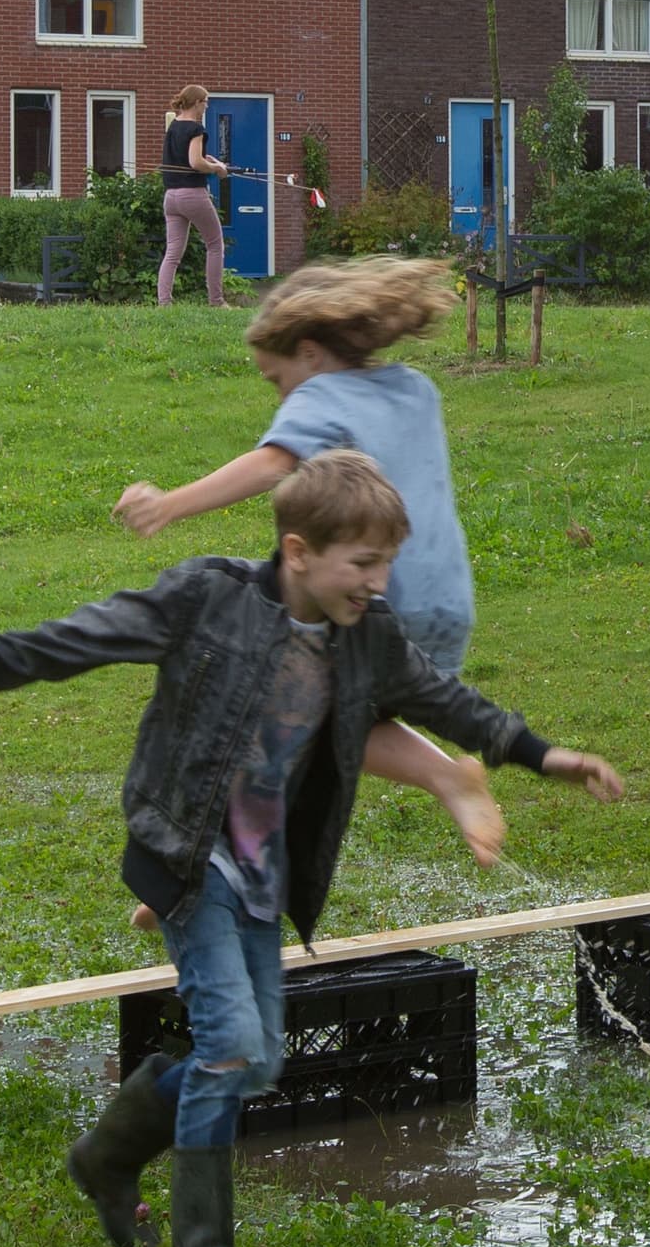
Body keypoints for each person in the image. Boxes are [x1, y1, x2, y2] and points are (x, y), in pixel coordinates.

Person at [0, 445, 626, 1247]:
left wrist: (551, 758)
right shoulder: (205, 597)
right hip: (185, 856)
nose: (378, 580)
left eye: (386, 561)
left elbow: (454, 707)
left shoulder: (368, 637)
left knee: (260, 1058)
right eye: (363, 563)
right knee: (231, 1047)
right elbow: (61, 644)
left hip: (261, 875)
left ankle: (106, 1155)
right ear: (298, 552)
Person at [119, 257, 500, 862]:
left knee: (262, 714)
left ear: (312, 351)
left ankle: (201, 867)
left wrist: (170, 505)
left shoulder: (321, 393)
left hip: (371, 598)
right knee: (337, 725)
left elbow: (274, 462)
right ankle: (211, 866)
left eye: (277, 380)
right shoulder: (414, 388)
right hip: (444, 605)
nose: (282, 394)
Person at [155, 85, 235, 309]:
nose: (207, 106)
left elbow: (185, 157)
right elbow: (194, 163)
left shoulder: (173, 126)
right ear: (198, 102)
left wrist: (207, 158)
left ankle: (164, 303)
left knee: (172, 252)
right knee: (215, 244)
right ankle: (216, 302)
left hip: (170, 197)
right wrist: (217, 169)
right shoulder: (196, 128)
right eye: (206, 101)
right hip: (193, 195)